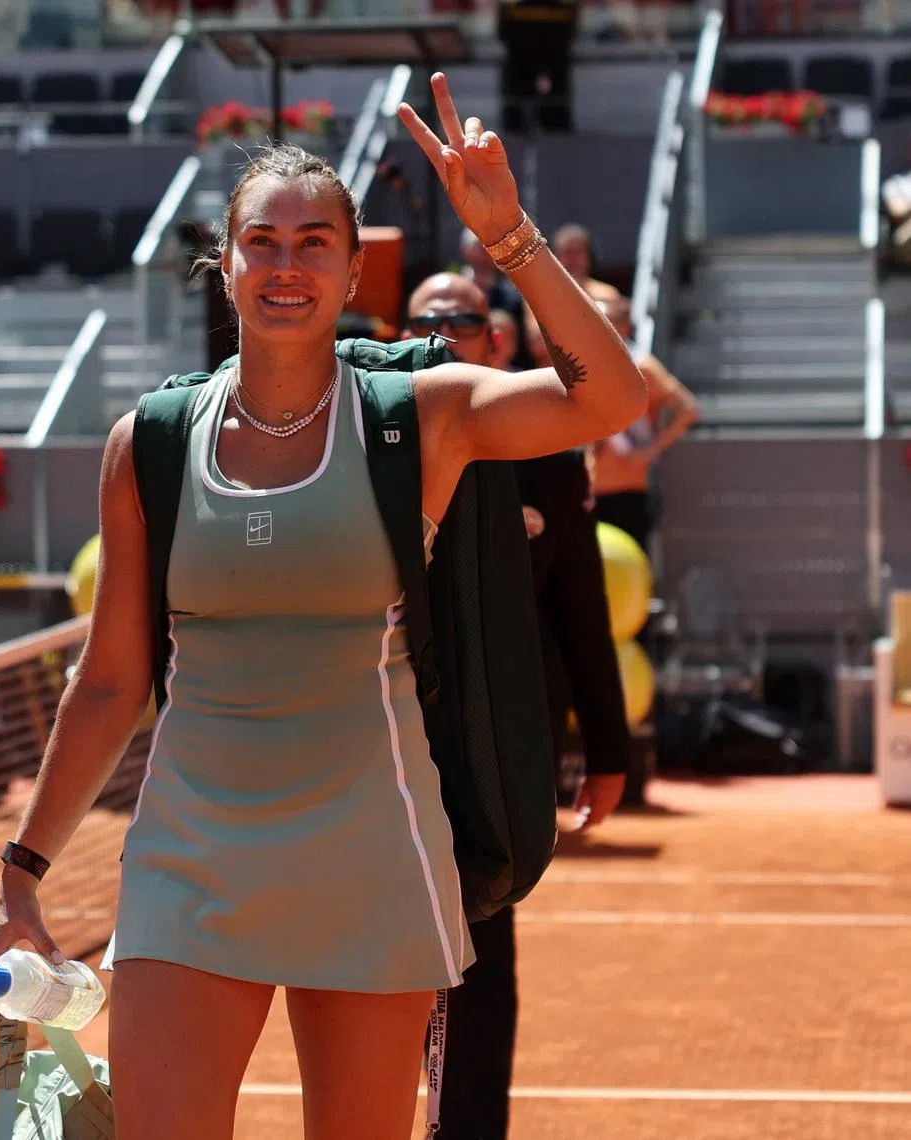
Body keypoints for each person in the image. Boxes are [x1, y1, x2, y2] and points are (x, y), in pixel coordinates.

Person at [0, 72, 645, 1140]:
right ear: (227, 263)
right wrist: (22, 875)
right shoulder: (147, 444)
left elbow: (613, 400)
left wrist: (510, 236)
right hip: (187, 865)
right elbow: (109, 683)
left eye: (315, 244)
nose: (286, 267)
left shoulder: (419, 416)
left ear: (350, 271)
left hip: (373, 856)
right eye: (264, 243)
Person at [405, 270, 630, 1140]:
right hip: (382, 739)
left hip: (494, 749)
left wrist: (607, 752)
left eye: (463, 320)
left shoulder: (549, 450)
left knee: (481, 952)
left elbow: (580, 610)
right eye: (427, 320)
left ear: (497, 343)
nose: (445, 333)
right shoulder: (368, 439)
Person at [590, 295, 699, 552]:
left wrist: (650, 450)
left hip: (628, 487)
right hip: (589, 487)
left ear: (625, 326)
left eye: (607, 323)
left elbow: (689, 409)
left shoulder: (642, 366)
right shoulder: (585, 366)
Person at [458, 227, 532, 367]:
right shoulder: (451, 294)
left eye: (490, 247)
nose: (485, 253)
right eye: (479, 246)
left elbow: (522, 347)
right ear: (465, 250)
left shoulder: (513, 296)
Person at [552, 223, 623, 305]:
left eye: (579, 252)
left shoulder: (607, 295)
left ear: (589, 256)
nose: (573, 259)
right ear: (555, 256)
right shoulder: (543, 295)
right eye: (568, 252)